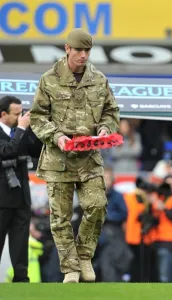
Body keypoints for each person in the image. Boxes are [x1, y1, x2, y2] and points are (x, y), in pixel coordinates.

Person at [30, 28, 120, 283]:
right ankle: (70, 267)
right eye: (78, 50)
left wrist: (104, 129)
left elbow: (111, 112)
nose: (83, 55)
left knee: (97, 206)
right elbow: (37, 117)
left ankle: (83, 255)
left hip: (89, 157)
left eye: (87, 51)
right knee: (60, 216)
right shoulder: (49, 79)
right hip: (59, 159)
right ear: (67, 49)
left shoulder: (99, 79)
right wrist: (56, 136)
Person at [0, 95, 42, 282]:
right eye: (17, 114)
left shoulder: (21, 131)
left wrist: (33, 128)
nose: (21, 117)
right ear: (3, 115)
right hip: (1, 200)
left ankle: (21, 282)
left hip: (22, 198)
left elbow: (37, 151)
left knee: (21, 245)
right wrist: (22, 128)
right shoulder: (16, 132)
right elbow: (7, 151)